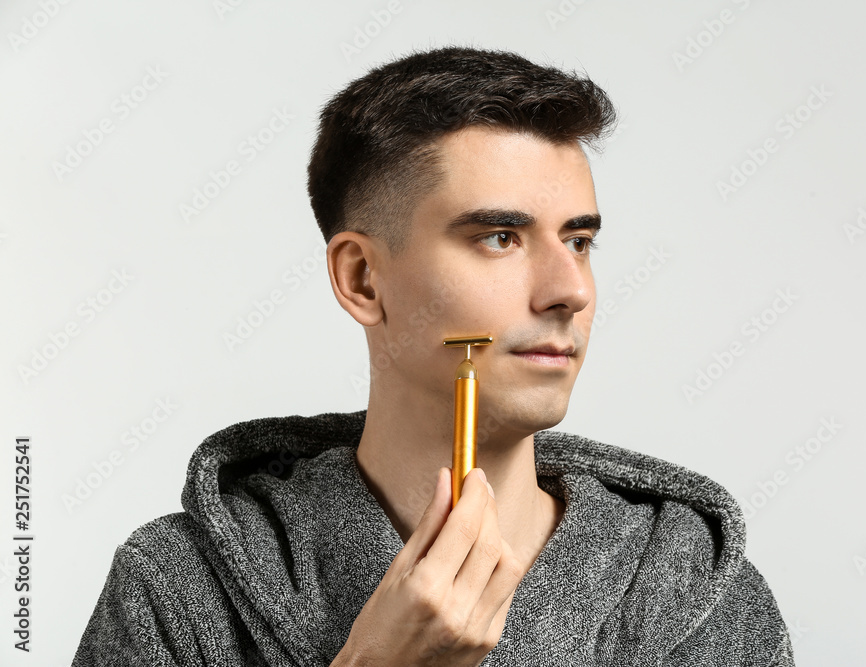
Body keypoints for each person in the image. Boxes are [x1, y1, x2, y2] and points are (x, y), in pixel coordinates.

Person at [72, 46, 795, 666]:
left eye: (578, 241)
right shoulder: (179, 590)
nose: (569, 289)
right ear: (362, 278)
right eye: (499, 237)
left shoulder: (704, 600)